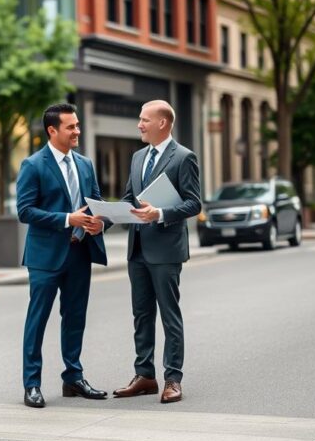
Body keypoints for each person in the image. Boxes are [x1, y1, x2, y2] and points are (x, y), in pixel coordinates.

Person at [16, 102, 108, 408]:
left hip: (80, 252)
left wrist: (100, 223)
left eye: (78, 125)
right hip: (45, 257)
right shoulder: (33, 165)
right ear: (52, 130)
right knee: (37, 320)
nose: (77, 131)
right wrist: (68, 219)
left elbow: (97, 203)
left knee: (75, 318)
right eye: (71, 127)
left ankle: (73, 378)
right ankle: (32, 384)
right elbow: (25, 211)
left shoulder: (85, 164)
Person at [114, 100, 200, 404]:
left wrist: (160, 213)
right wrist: (107, 216)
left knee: (169, 315)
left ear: (162, 123)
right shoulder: (138, 157)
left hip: (165, 250)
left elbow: (194, 203)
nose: (139, 124)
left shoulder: (184, 157)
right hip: (137, 248)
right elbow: (130, 197)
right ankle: (145, 376)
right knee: (141, 315)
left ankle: (173, 379)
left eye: (144, 120)